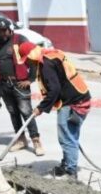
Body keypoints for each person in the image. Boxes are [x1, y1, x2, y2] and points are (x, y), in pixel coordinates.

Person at [23, 43, 91, 178]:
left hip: (73, 102)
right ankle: (67, 164)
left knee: (66, 137)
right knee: (69, 136)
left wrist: (40, 108)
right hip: (78, 97)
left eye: (27, 59)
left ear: (32, 55)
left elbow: (54, 90)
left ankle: (70, 170)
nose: (27, 63)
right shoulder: (49, 55)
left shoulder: (46, 65)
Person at [0, 18, 44, 155]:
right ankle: (21, 139)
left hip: (19, 84)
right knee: (13, 113)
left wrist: (30, 79)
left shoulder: (19, 40)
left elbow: (33, 57)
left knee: (27, 113)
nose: (1, 34)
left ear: (10, 29)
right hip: (4, 85)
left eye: (3, 30)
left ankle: (36, 140)